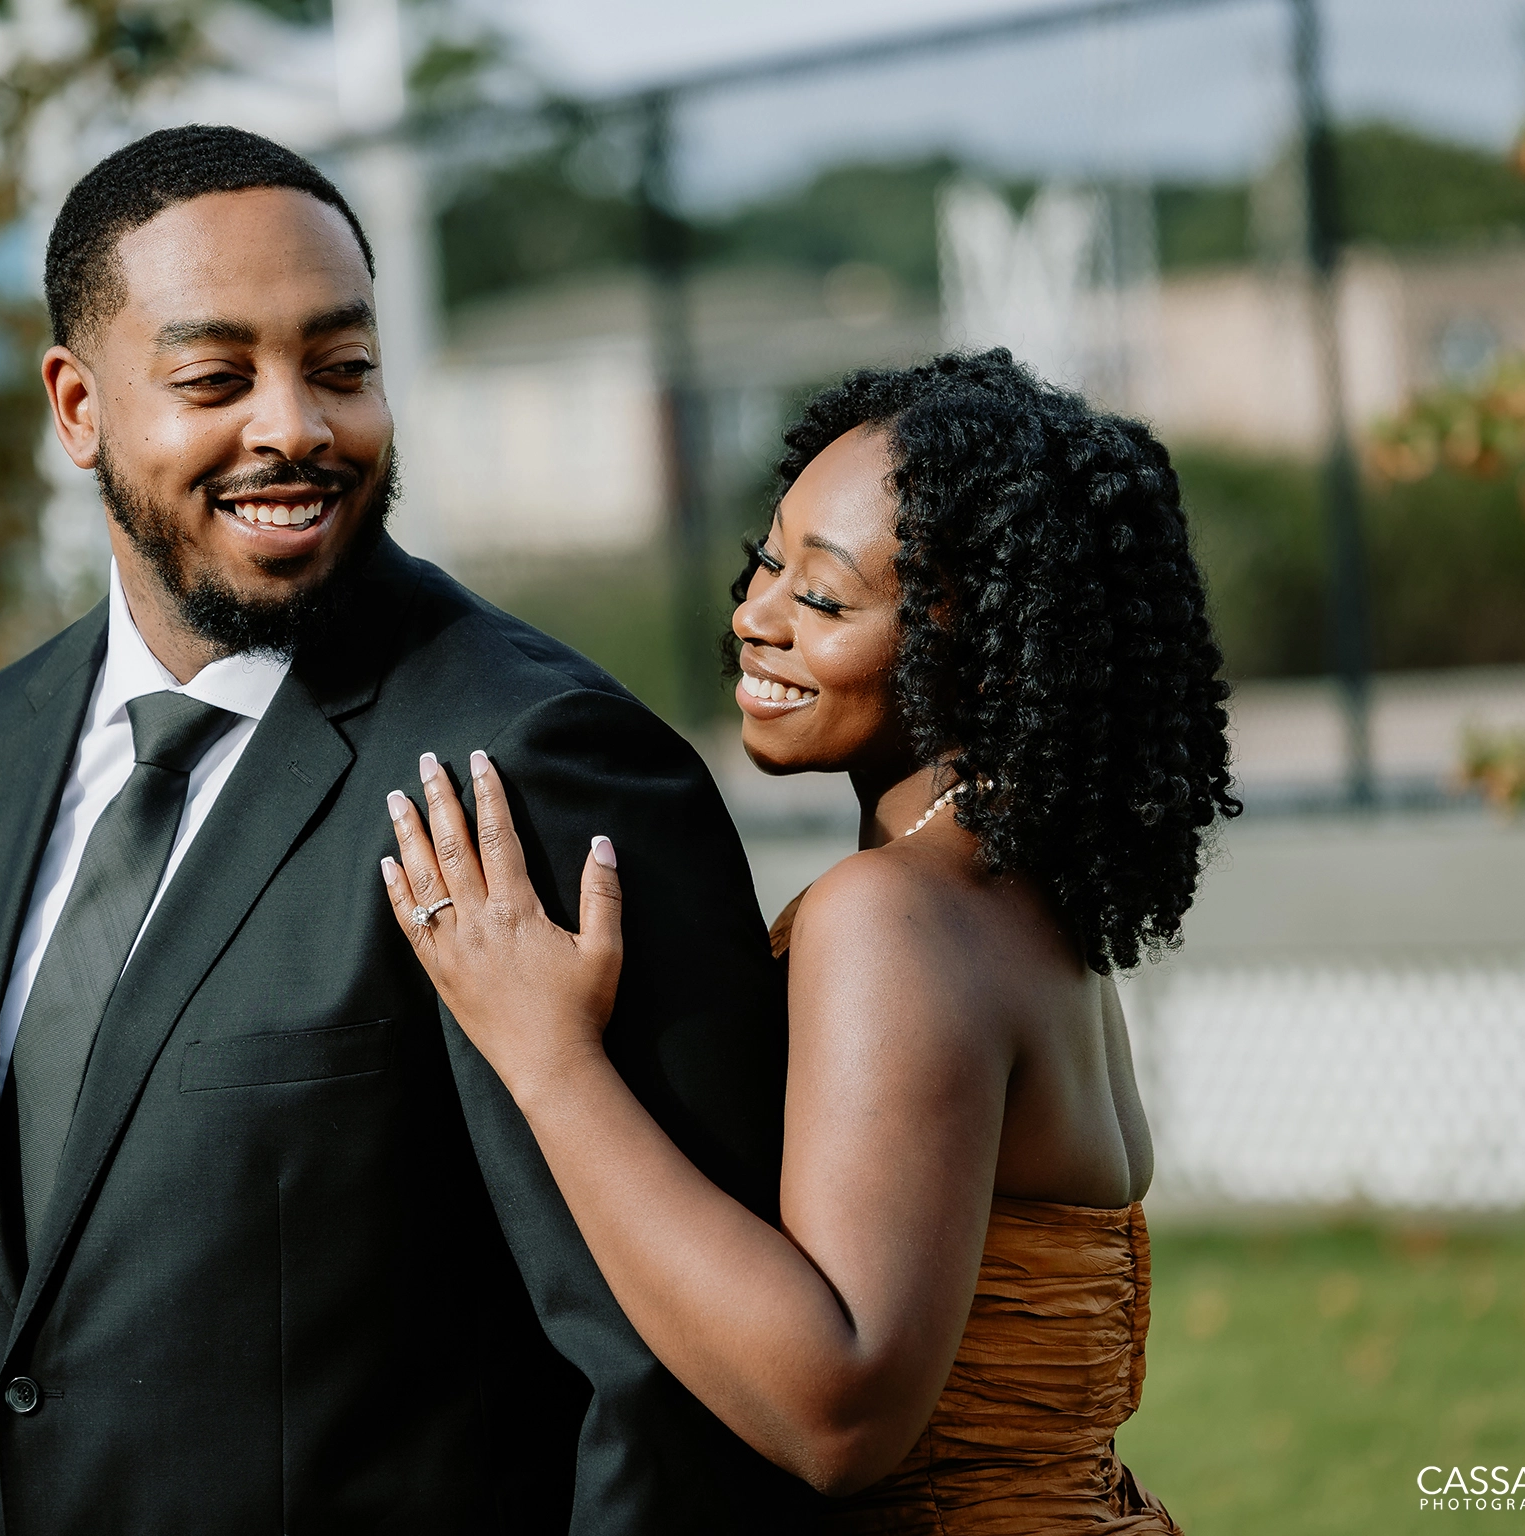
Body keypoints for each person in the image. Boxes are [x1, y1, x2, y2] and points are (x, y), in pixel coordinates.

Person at [0, 124, 817, 1534]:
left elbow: (677, 1395)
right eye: (214, 376)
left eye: (343, 366)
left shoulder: (544, 760)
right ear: (76, 407)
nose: (296, 424)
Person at [380, 351, 1236, 1533]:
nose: (754, 617)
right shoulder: (1024, 911)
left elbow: (839, 1413)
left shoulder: (894, 920)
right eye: (769, 562)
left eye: (824, 601)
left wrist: (547, 1058)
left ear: (980, 650)